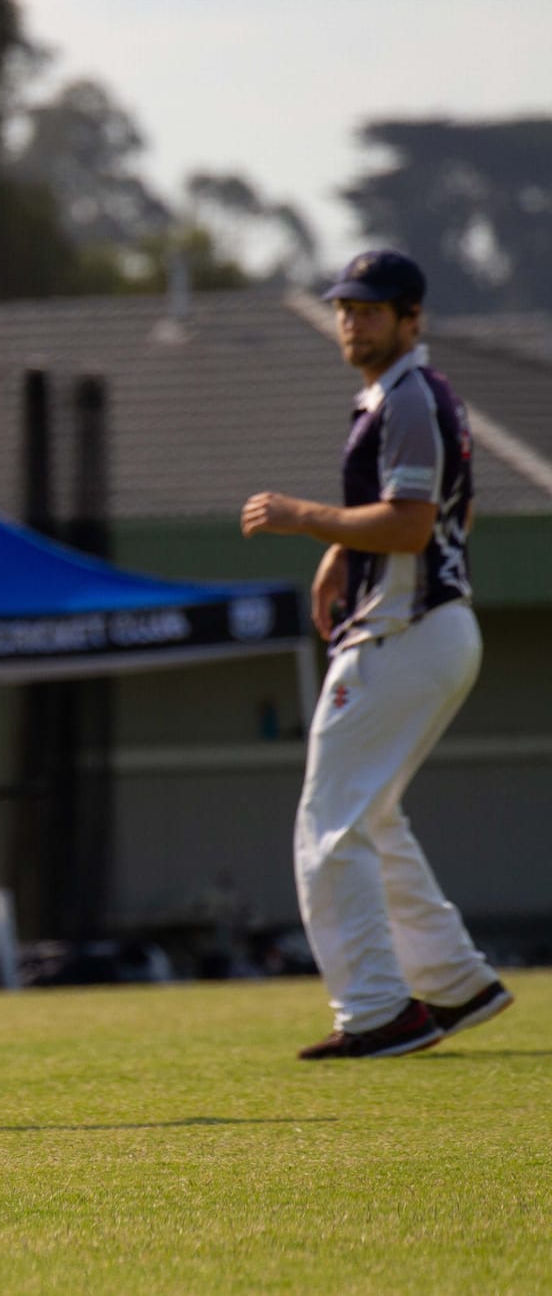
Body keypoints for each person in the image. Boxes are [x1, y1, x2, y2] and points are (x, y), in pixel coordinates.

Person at [240, 248, 512, 1059]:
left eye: (370, 309)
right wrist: (336, 557)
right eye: (345, 308)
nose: (352, 322)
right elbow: (419, 513)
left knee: (328, 826)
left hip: (405, 632)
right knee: (372, 817)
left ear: (412, 318)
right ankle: (457, 983)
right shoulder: (397, 397)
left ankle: (378, 1010)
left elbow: (410, 523)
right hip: (424, 627)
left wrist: (302, 517)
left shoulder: (411, 398)